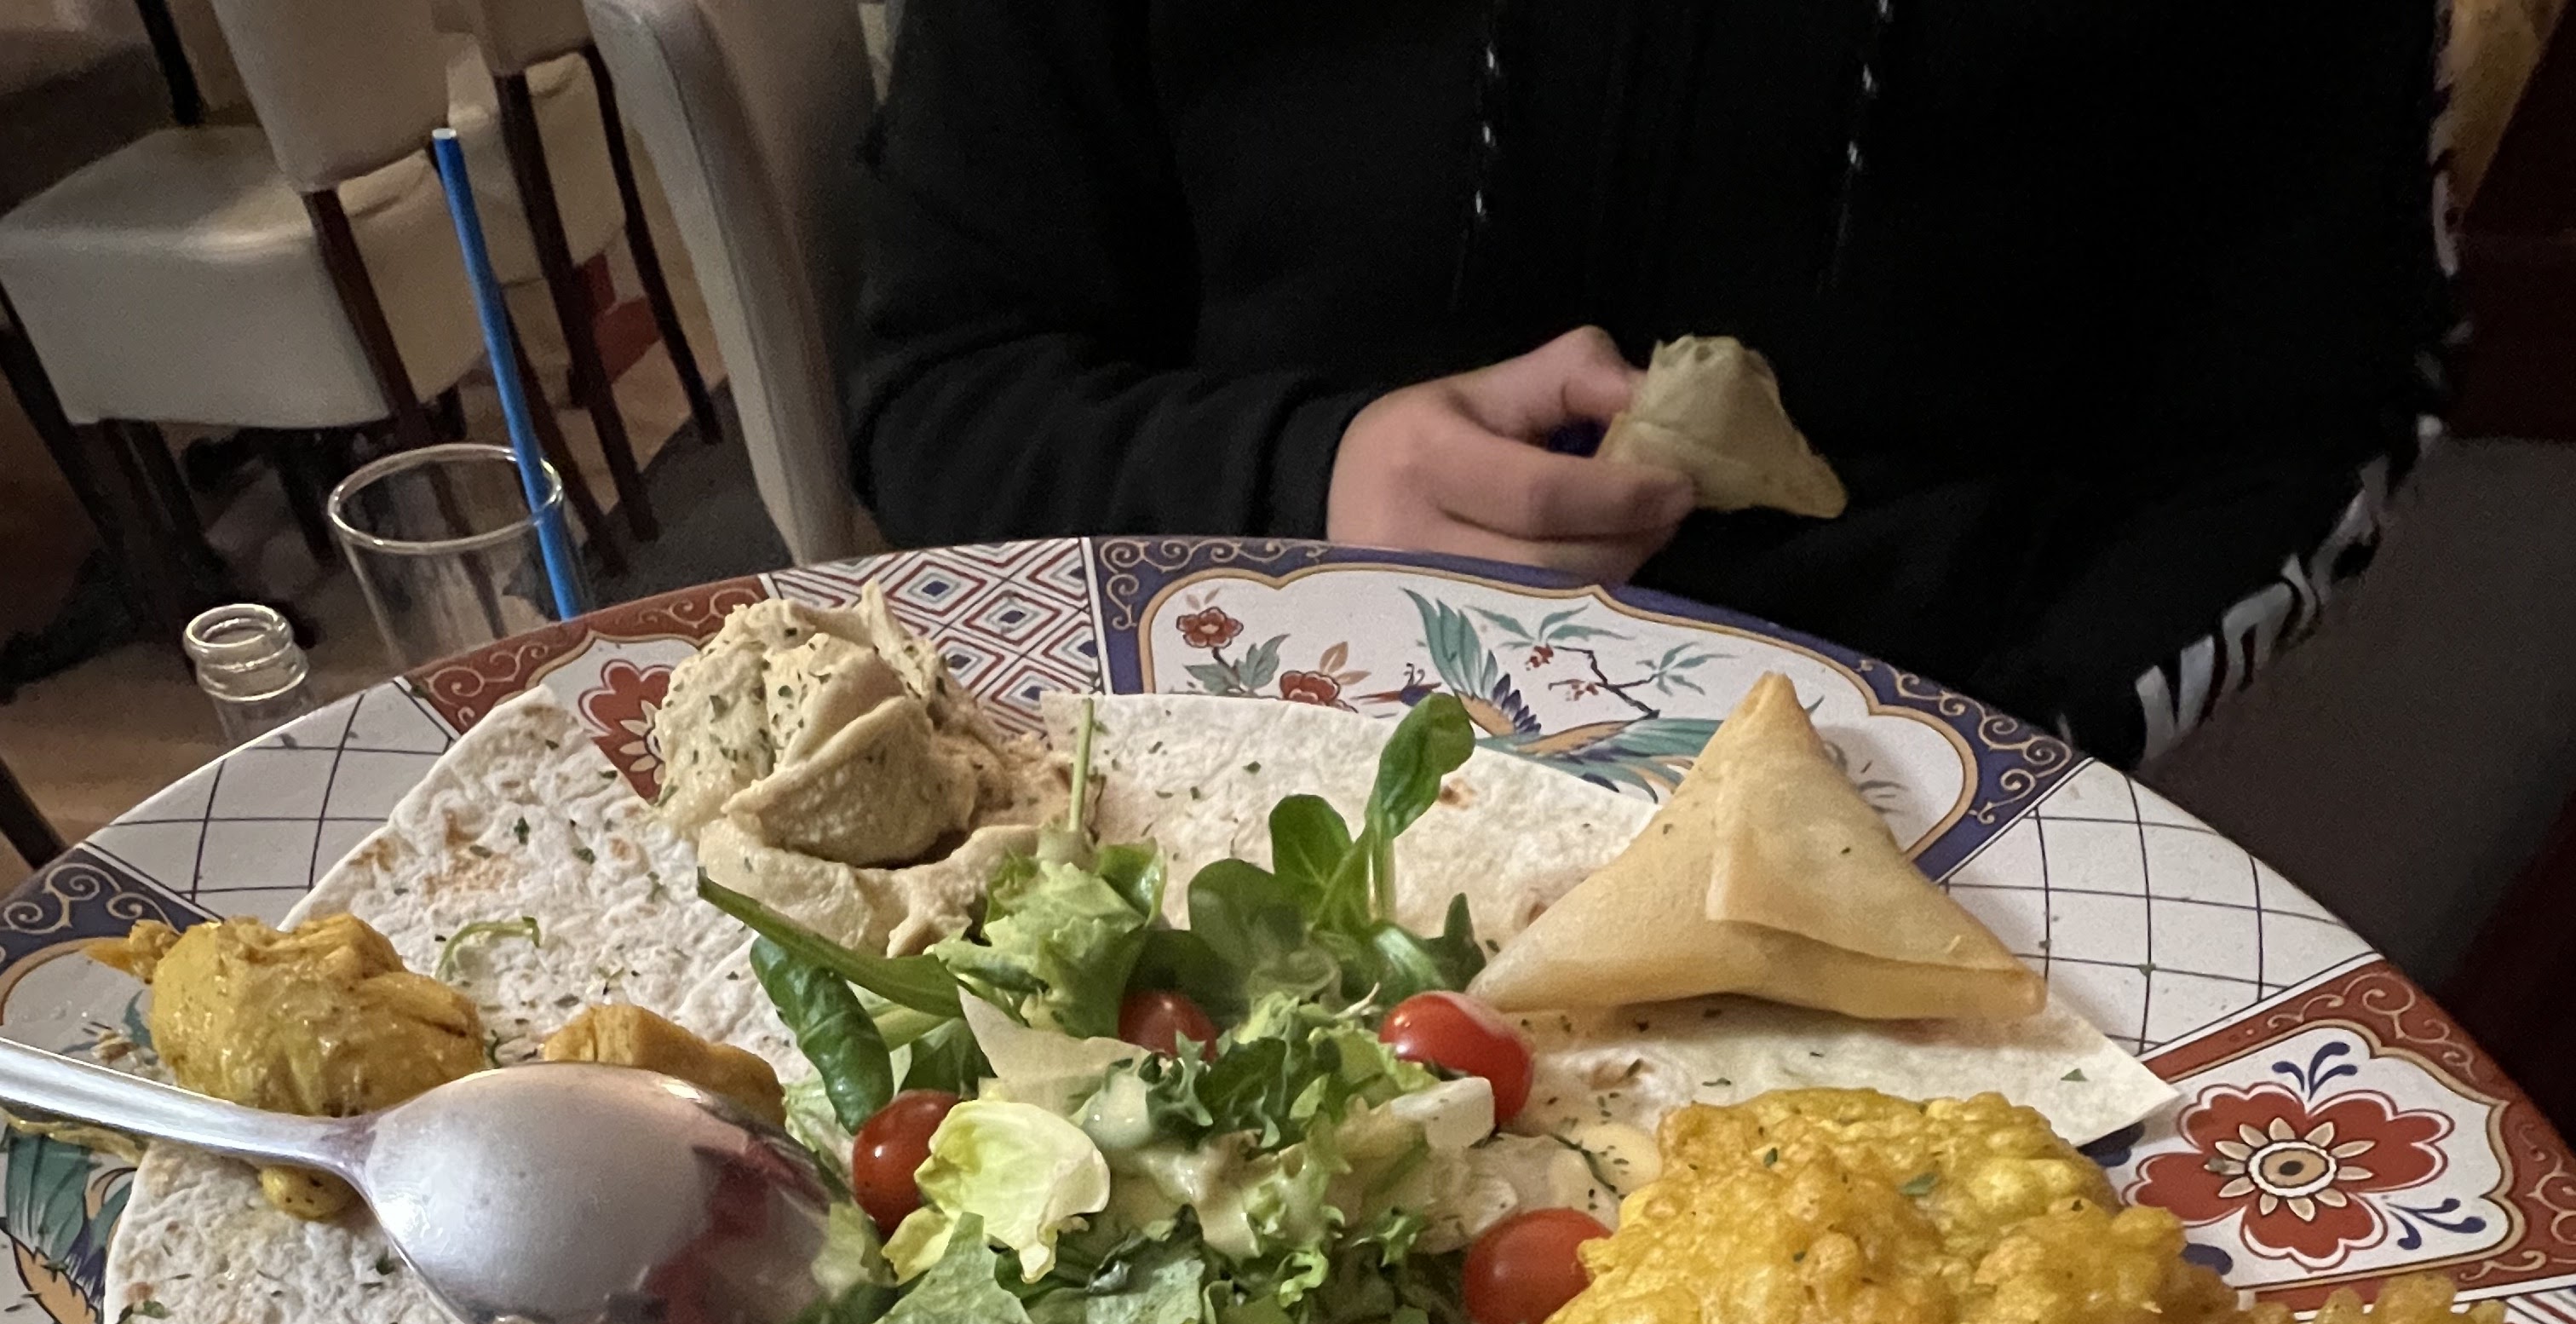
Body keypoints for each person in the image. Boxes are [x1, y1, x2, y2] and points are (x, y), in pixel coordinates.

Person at [846, 1, 2452, 768]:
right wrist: (1308, 478)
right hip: (1237, 754)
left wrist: (2017, 748)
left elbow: (2300, 438)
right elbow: (945, 388)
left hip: (1936, 761)